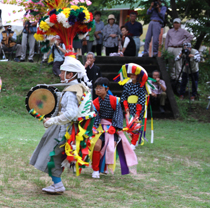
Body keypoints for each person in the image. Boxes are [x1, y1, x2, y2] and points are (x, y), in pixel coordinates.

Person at [30, 56, 91, 194]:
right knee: (54, 156)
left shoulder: (71, 91)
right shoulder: (78, 87)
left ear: (70, 75)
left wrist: (52, 121)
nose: (59, 74)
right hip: (70, 130)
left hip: (65, 131)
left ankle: (58, 185)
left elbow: (70, 114)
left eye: (63, 72)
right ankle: (56, 184)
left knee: (53, 156)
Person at [91, 77, 137, 178]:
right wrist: (94, 127)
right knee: (97, 146)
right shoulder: (95, 102)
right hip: (101, 127)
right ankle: (95, 169)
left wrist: (115, 127)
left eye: (100, 88)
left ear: (107, 89)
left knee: (110, 148)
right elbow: (96, 116)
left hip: (113, 128)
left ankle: (104, 167)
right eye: (96, 88)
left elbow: (118, 114)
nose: (97, 90)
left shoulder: (115, 100)